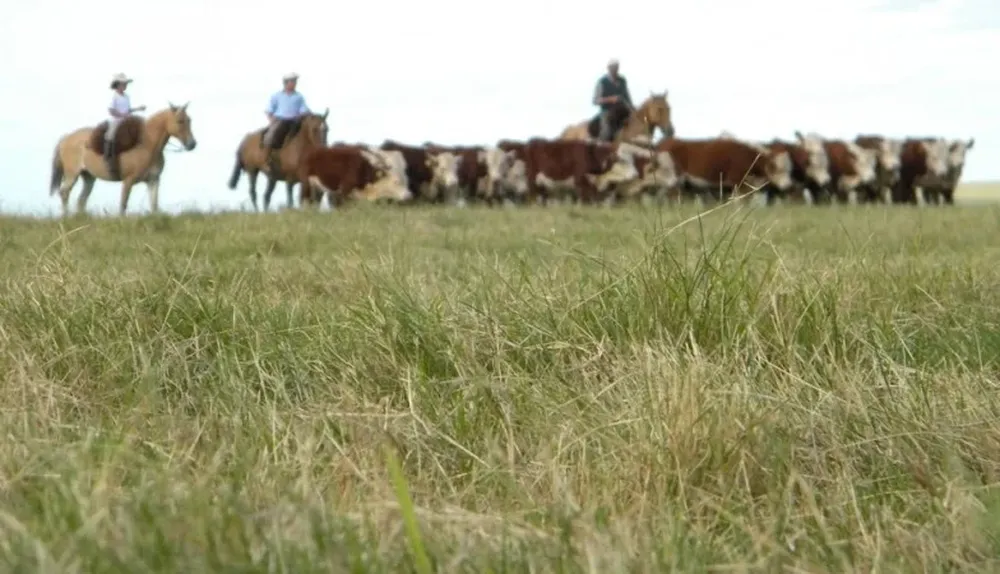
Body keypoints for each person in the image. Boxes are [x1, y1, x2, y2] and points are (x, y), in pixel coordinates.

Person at [263, 73, 311, 174]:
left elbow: (303, 109)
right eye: (292, 82)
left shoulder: (299, 96)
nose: (294, 84)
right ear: (286, 83)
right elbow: (269, 109)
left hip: (295, 121)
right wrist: (271, 118)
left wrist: (303, 114)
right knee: (272, 136)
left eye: (295, 82)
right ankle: (267, 161)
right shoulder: (277, 96)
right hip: (281, 120)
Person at [105, 73, 146, 178]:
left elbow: (128, 110)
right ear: (118, 85)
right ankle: (108, 158)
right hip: (116, 121)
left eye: (126, 84)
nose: (125, 86)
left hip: (127, 121)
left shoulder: (127, 96)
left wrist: (138, 109)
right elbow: (111, 110)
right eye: (123, 84)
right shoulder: (114, 96)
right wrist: (121, 115)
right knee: (110, 136)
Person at [592, 59, 635, 142]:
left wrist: (633, 108)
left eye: (616, 67)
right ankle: (601, 146)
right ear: (608, 68)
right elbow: (595, 100)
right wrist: (610, 99)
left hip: (623, 111)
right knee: (607, 130)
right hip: (608, 112)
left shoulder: (622, 81)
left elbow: (627, 97)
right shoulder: (602, 82)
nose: (614, 69)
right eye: (612, 67)